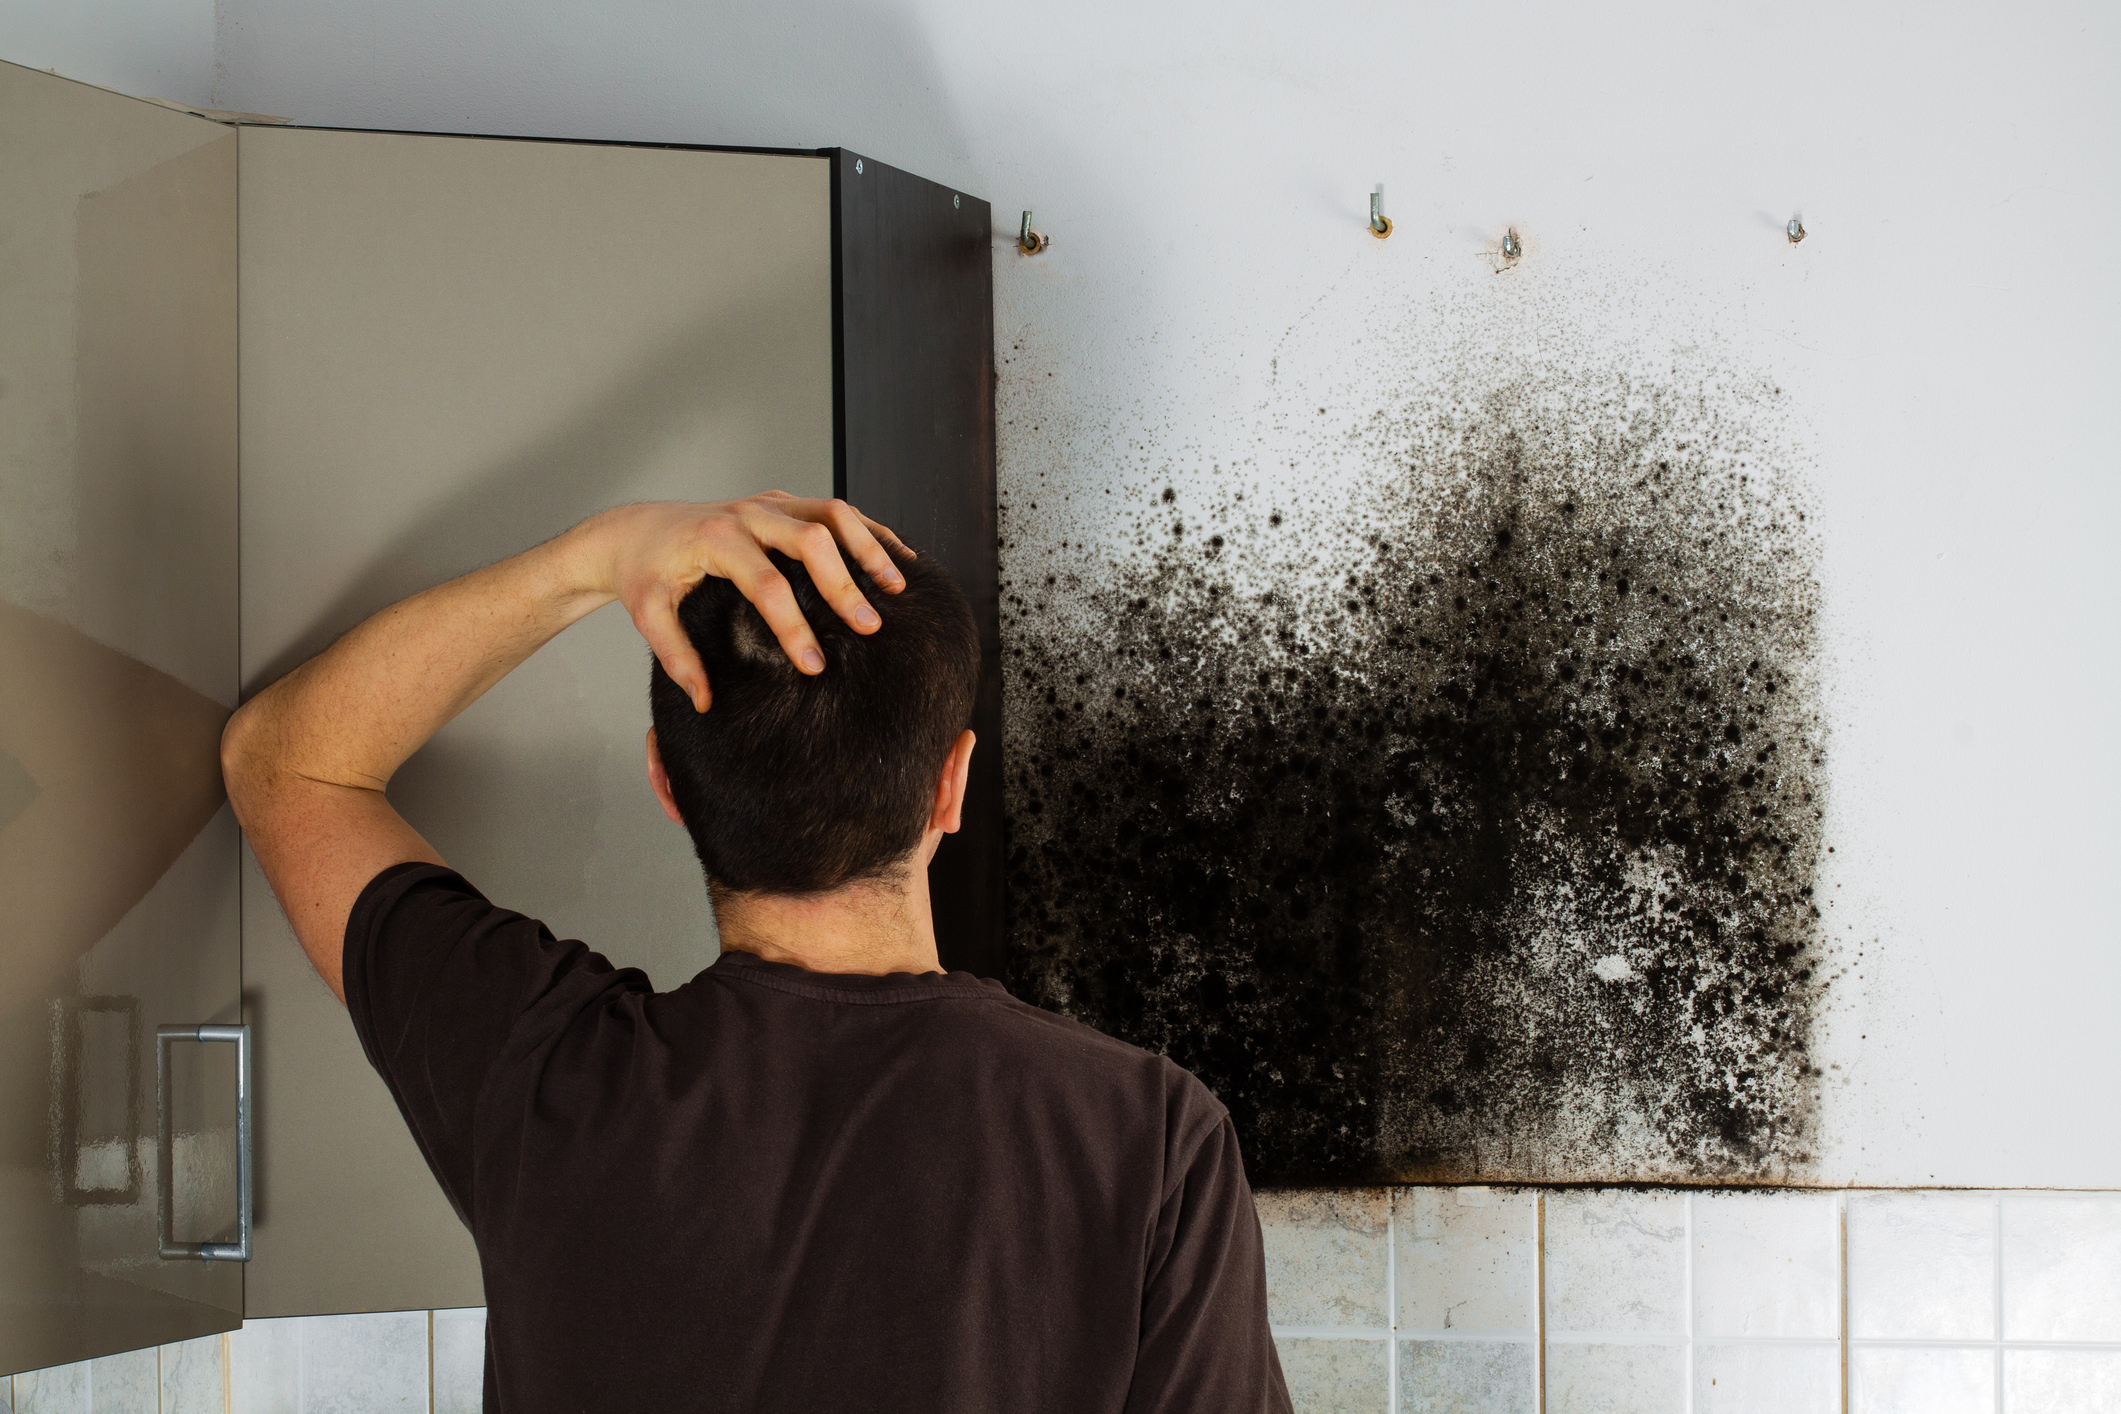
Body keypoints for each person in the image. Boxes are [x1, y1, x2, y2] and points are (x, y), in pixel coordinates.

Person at [221, 493, 1292, 1414]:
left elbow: (286, 765)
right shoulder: (1148, 1144)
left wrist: (600, 555)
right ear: (951, 786)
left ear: (667, 785)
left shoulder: (541, 1077)